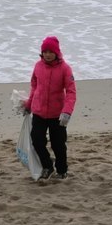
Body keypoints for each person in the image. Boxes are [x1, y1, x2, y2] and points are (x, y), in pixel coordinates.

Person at [24, 36, 77, 180]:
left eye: (50, 51)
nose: (47, 54)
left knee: (58, 145)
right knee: (37, 141)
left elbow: (71, 92)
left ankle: (62, 170)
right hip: (39, 112)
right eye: (45, 51)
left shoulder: (65, 68)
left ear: (56, 52)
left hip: (58, 115)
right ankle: (47, 166)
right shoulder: (38, 66)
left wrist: (66, 112)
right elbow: (34, 87)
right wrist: (28, 105)